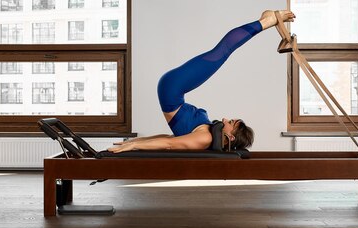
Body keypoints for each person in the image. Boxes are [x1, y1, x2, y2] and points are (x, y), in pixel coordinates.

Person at [108, 9, 295, 153]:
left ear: (230, 136)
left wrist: (132, 147)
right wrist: (136, 142)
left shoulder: (204, 139)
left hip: (172, 89)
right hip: (173, 90)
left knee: (222, 51)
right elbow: (168, 136)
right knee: (221, 52)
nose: (225, 119)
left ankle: (266, 21)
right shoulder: (206, 134)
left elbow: (169, 143)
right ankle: (263, 21)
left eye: (230, 121)